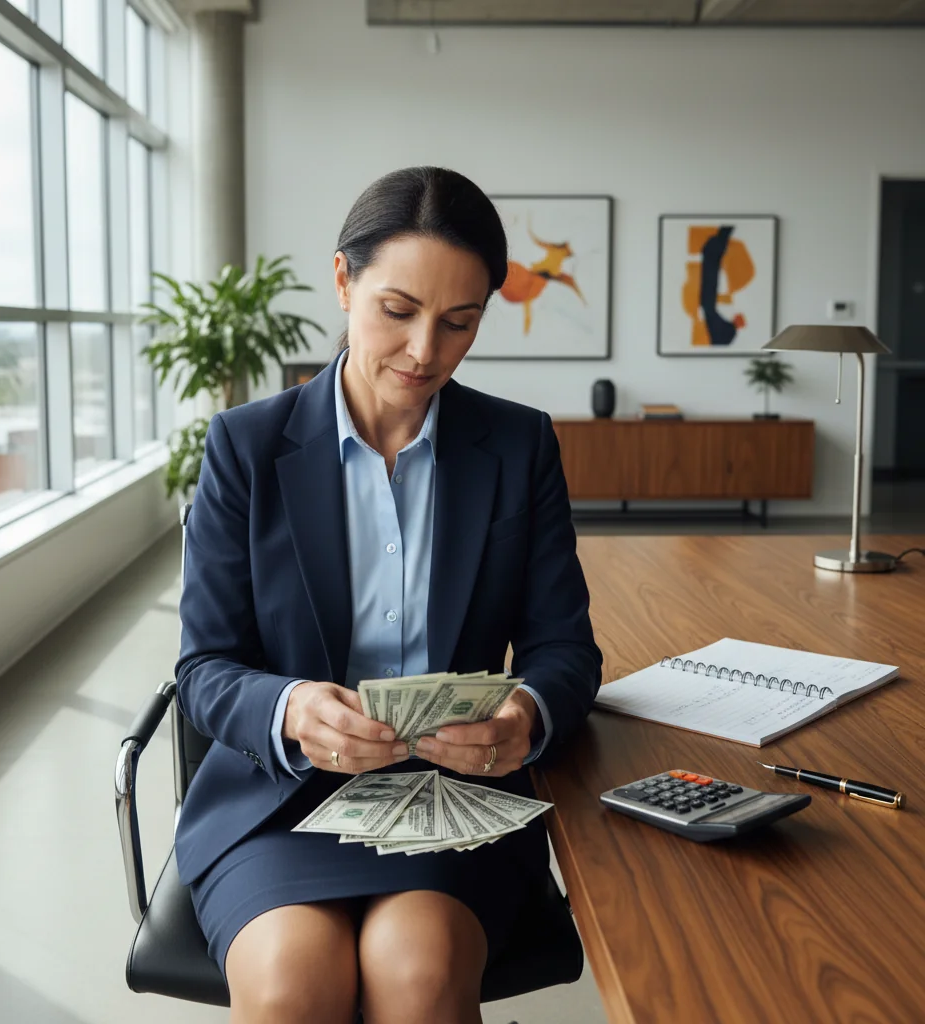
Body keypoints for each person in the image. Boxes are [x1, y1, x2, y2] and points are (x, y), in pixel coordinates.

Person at [174, 166, 603, 1024]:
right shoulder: (246, 447)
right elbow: (205, 667)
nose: (424, 352)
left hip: (455, 795)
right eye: (397, 311)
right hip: (278, 798)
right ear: (343, 281)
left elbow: (564, 648)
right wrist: (292, 709)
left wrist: (523, 717)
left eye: (459, 322)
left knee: (416, 975)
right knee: (293, 985)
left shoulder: (518, 445)